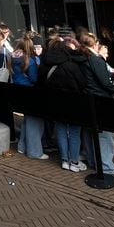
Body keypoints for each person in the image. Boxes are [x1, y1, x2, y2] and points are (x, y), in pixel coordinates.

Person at [80, 33, 114, 176]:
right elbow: (104, 83)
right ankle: (106, 166)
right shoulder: (95, 60)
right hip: (100, 100)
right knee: (105, 135)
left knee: (89, 132)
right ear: (95, 44)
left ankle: (94, 161)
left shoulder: (82, 58)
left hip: (88, 99)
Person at [42, 37, 87, 172]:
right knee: (74, 131)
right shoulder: (71, 65)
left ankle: (64, 160)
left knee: (60, 129)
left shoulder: (46, 64)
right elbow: (82, 83)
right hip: (73, 103)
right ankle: (74, 160)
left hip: (55, 102)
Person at [12, 36, 47, 159]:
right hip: (30, 90)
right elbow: (34, 78)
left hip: (18, 89)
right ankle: (35, 151)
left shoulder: (14, 57)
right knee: (34, 121)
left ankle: (22, 146)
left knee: (27, 119)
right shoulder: (31, 61)